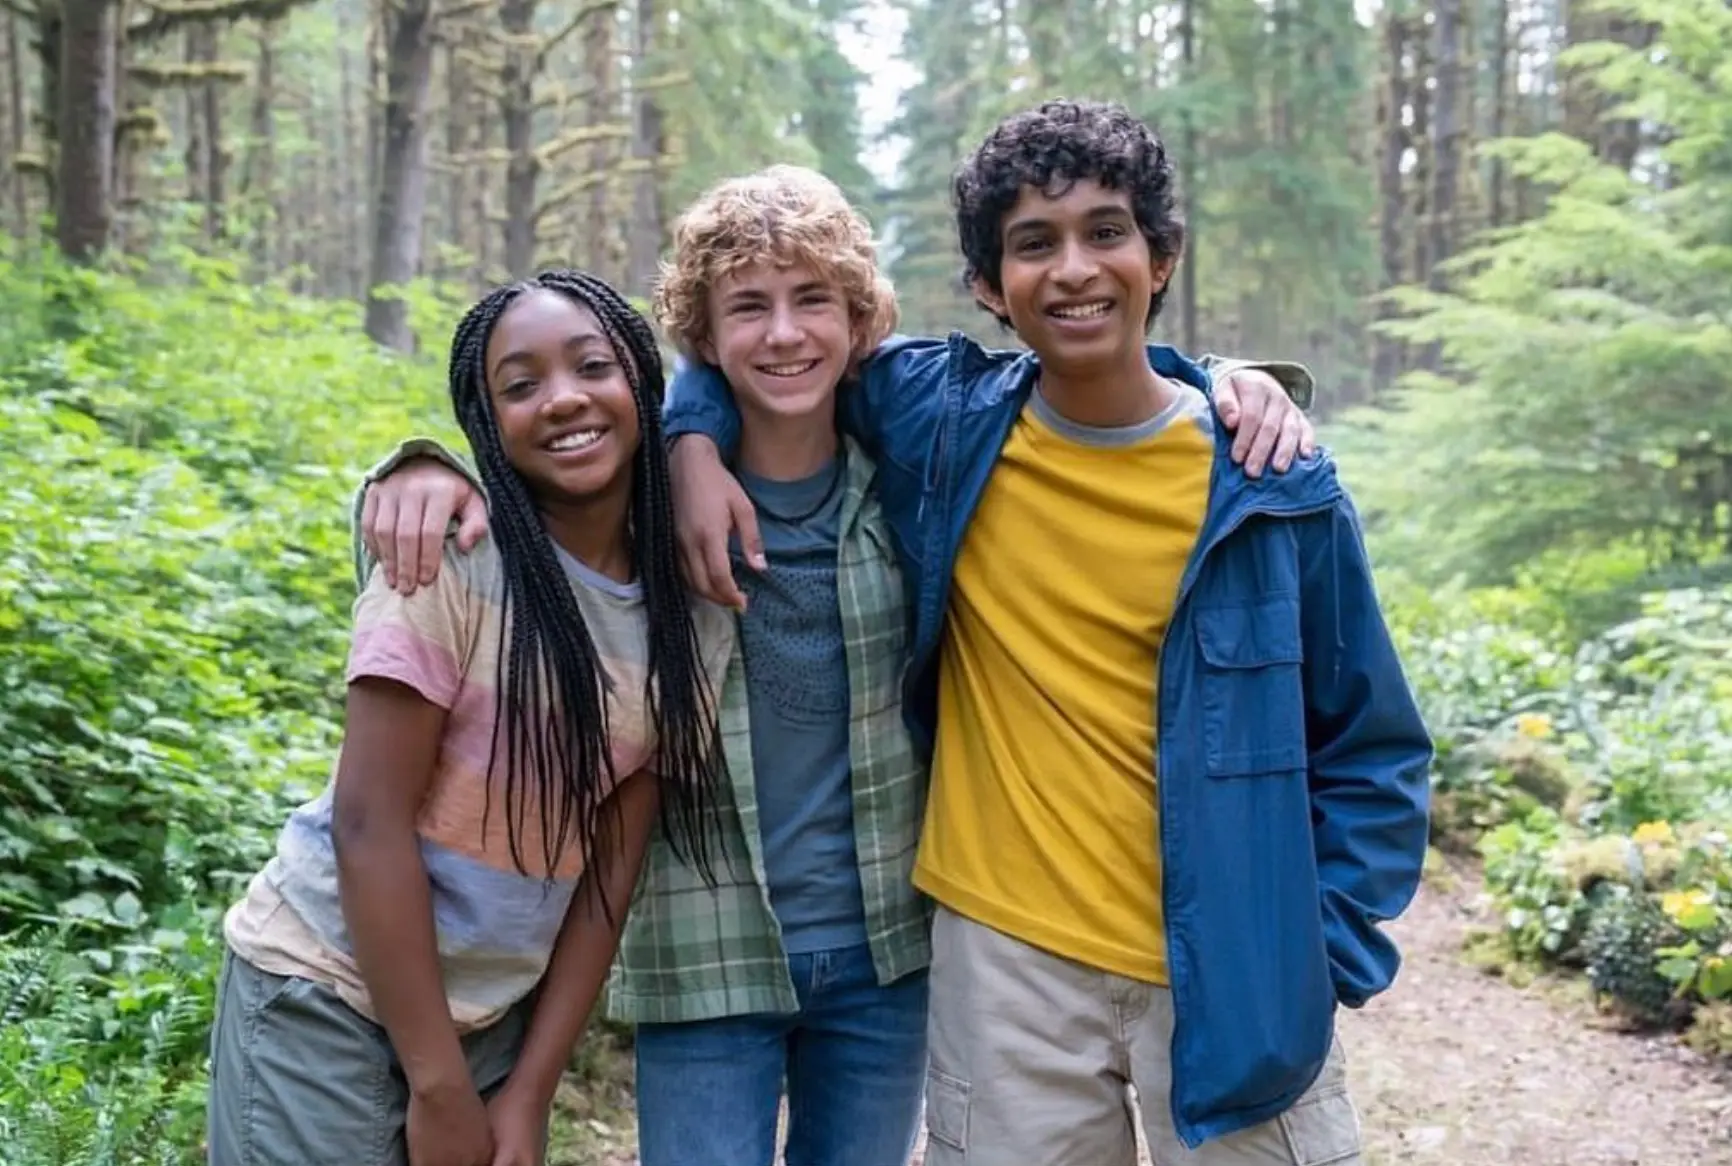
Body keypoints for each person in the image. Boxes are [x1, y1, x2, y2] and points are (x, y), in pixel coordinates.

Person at [354, 176, 1314, 1166]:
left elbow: (1085, 381)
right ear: (703, 334)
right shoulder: (639, 511)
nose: (782, 334)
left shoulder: (916, 481)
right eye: (747, 308)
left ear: (859, 320)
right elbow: (516, 515)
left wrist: (1226, 377)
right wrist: (420, 469)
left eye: (812, 299)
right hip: (706, 949)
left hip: (887, 956)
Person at [664, 100, 1433, 1166]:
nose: (1073, 268)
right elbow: (760, 339)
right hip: (1005, 965)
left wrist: (1322, 951)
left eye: (1105, 231)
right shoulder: (943, 424)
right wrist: (687, 443)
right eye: (1034, 243)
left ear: (1160, 256)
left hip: (1235, 971)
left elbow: (1372, 743)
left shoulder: (1266, 479)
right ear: (988, 284)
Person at [207, 270, 734, 1166]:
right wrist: (439, 1087)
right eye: (520, 385)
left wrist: (528, 1090)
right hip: (321, 992)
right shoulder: (451, 565)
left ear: (643, 383)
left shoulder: (689, 617)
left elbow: (612, 868)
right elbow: (368, 825)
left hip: (488, 1020)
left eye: (591, 366)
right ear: (486, 421)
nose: (563, 399)